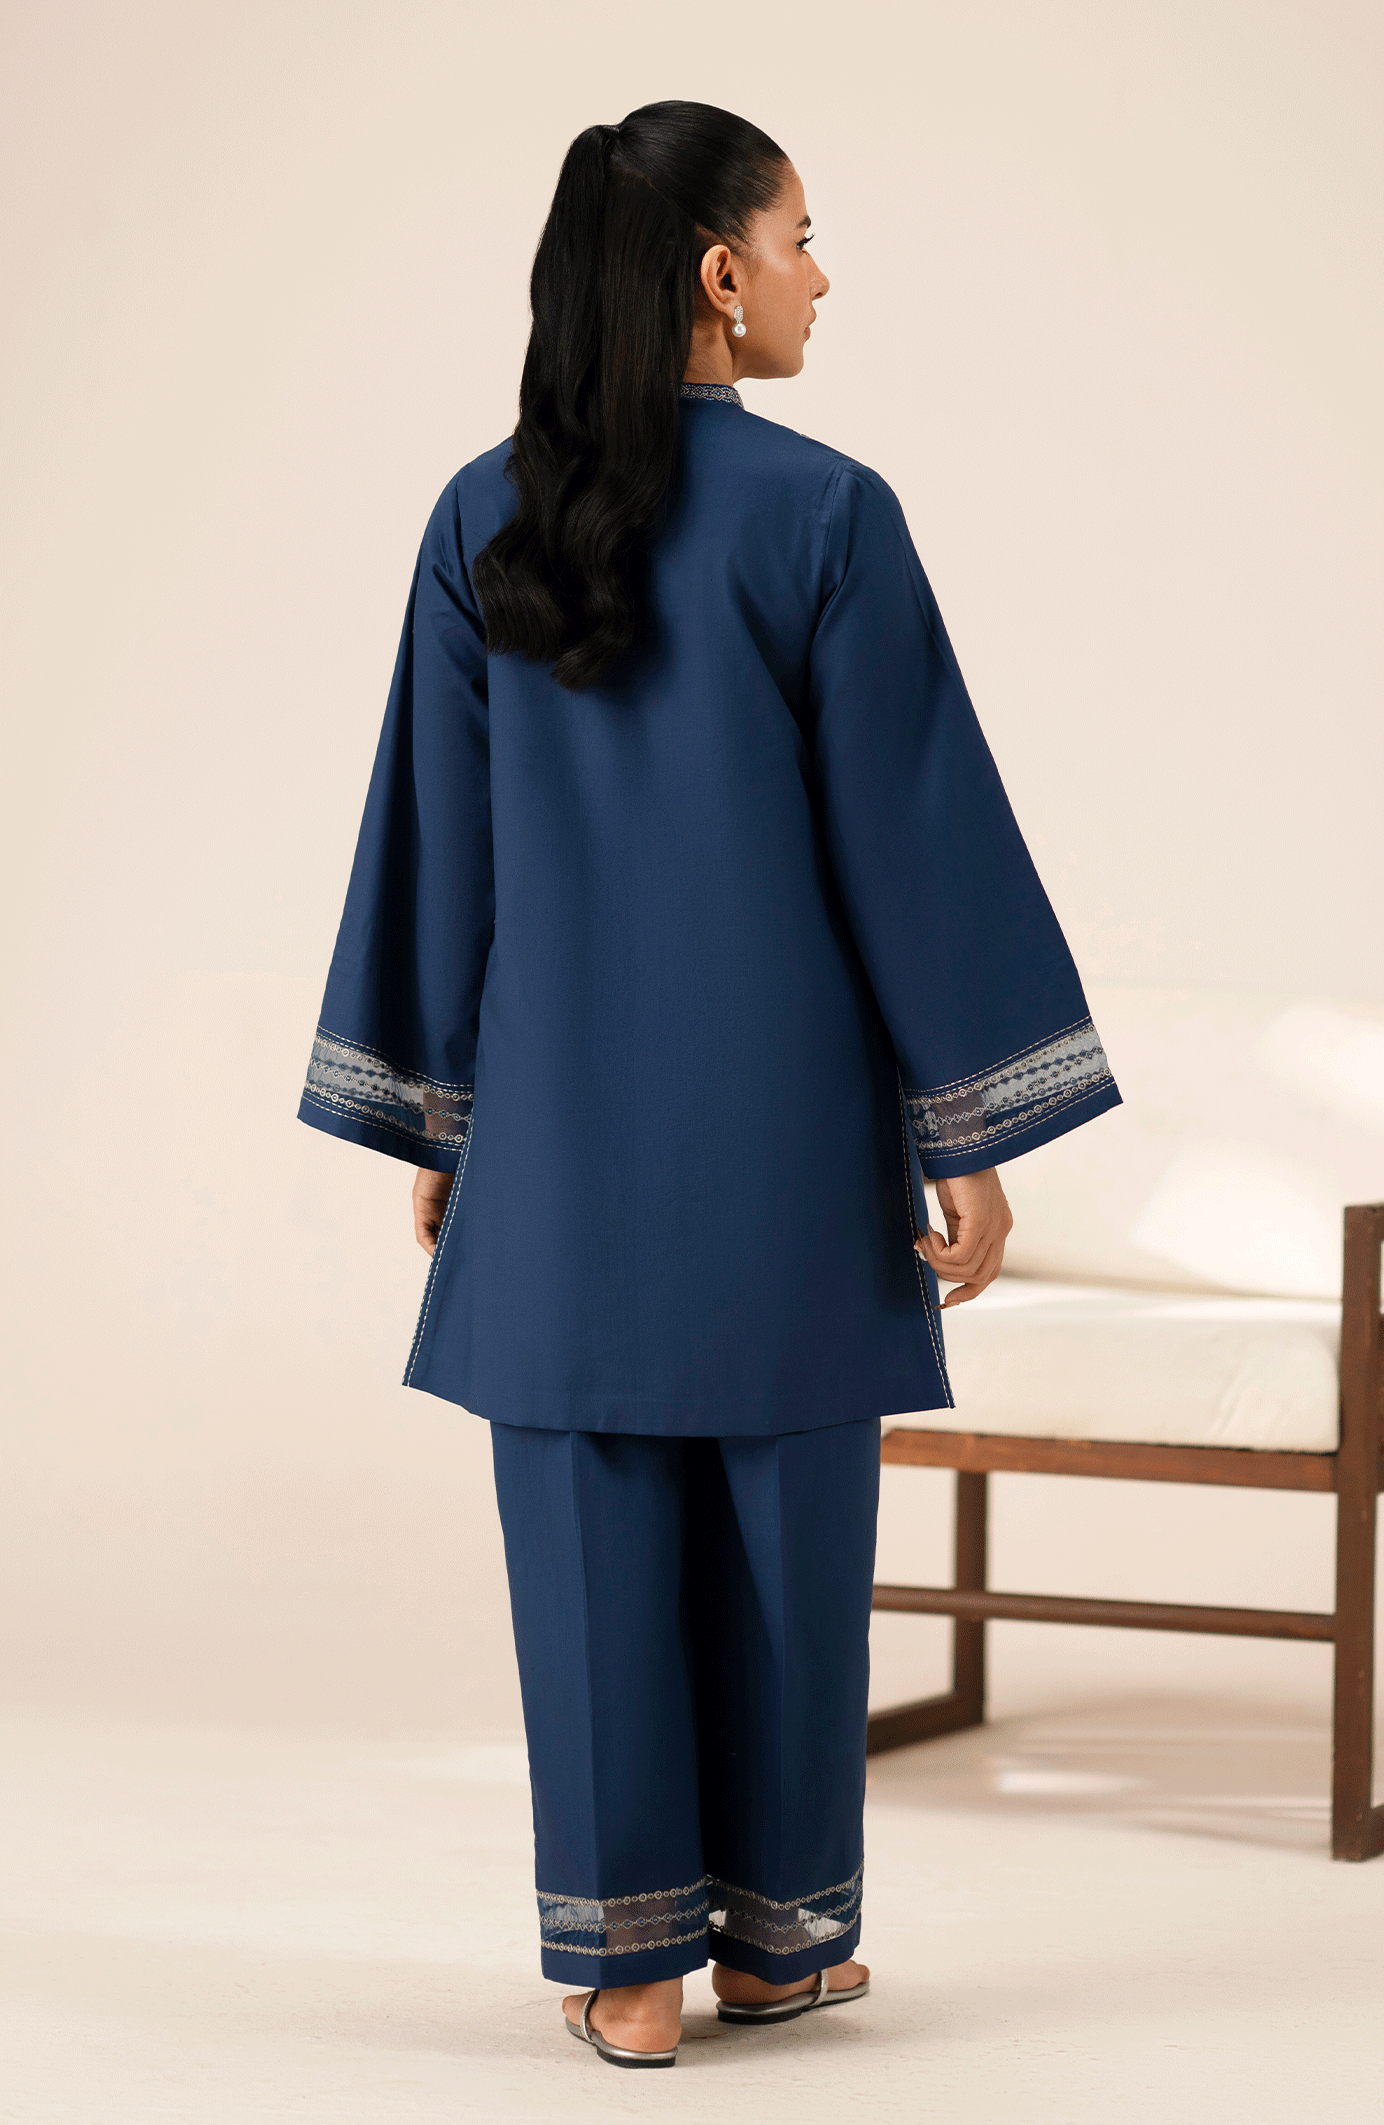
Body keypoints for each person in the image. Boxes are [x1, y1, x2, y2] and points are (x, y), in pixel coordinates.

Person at [297, 101, 1121, 2070]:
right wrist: (969, 1131)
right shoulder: (824, 515)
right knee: (786, 1528)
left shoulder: (479, 515)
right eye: (804, 237)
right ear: (717, 274)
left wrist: (449, 1120)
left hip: (562, 1139)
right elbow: (912, 839)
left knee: (586, 1528)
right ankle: (778, 1946)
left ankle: (628, 1974)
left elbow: (441, 850)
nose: (824, 277)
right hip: (783, 1135)